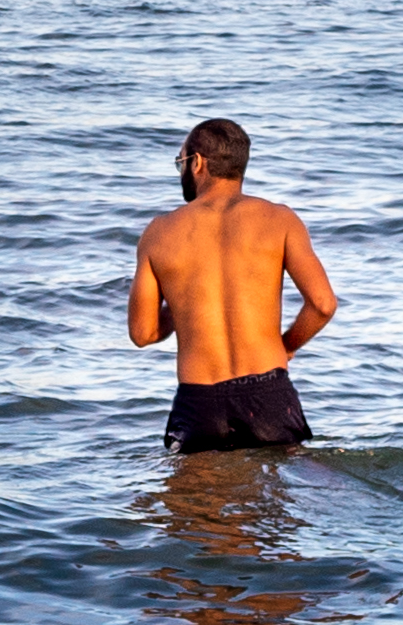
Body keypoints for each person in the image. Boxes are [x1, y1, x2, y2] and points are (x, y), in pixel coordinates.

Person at [129, 117, 338, 455]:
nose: (181, 170)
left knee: (192, 504)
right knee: (276, 501)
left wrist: (182, 298)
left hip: (199, 400)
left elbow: (143, 333)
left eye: (180, 161)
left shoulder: (159, 232)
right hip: (267, 393)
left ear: (198, 163)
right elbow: (323, 304)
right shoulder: (280, 219)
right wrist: (285, 345)